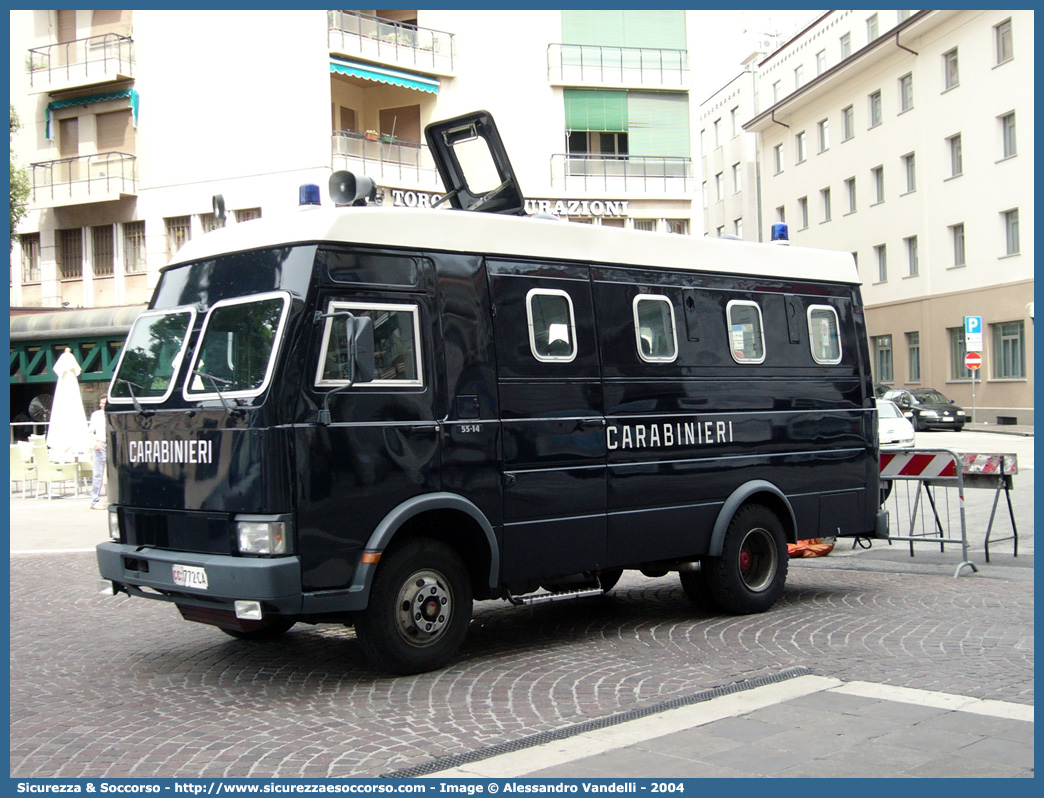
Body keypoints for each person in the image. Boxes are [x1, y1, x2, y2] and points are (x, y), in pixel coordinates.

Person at [88, 396, 107, 509]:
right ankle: (94, 501)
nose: (101, 404)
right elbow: (90, 431)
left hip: (111, 444)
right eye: (100, 402)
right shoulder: (96, 415)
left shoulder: (111, 414)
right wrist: (94, 443)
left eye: (103, 403)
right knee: (98, 473)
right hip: (101, 444)